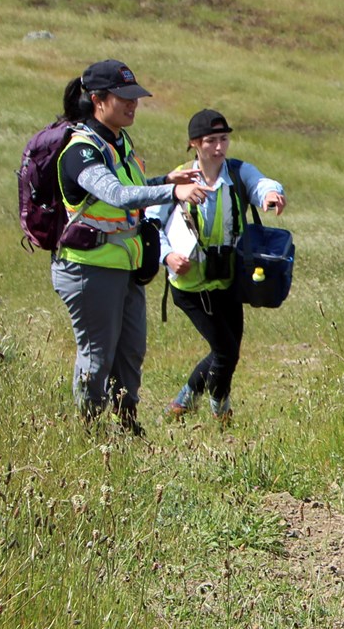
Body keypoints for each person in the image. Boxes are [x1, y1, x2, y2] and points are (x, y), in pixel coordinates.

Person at [52, 60, 211, 436]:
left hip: (124, 266)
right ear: (97, 100)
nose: (132, 104)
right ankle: (89, 433)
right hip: (88, 268)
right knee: (96, 358)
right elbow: (116, 194)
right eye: (123, 97)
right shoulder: (82, 151)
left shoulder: (118, 142)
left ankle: (126, 426)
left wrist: (163, 179)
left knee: (130, 353)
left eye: (135, 97)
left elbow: (132, 188)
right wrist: (172, 190)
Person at [149, 109, 286, 426]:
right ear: (194, 143)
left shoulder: (237, 173)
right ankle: (220, 411)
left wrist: (270, 194)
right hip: (190, 285)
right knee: (225, 351)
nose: (219, 147)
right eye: (211, 140)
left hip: (227, 280)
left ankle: (182, 403)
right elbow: (151, 223)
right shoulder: (179, 178)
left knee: (226, 350)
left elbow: (260, 183)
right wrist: (167, 256)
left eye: (224, 139)